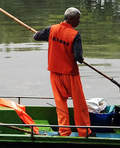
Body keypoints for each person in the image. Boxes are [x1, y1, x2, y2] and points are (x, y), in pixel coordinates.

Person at [33, 7, 92, 137]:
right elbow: (77, 57)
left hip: (54, 73)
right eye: (78, 19)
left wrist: (43, 35)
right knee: (79, 104)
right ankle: (84, 132)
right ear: (71, 19)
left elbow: (36, 36)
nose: (79, 21)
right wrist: (81, 58)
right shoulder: (75, 35)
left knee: (60, 103)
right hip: (70, 74)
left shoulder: (51, 29)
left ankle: (64, 131)